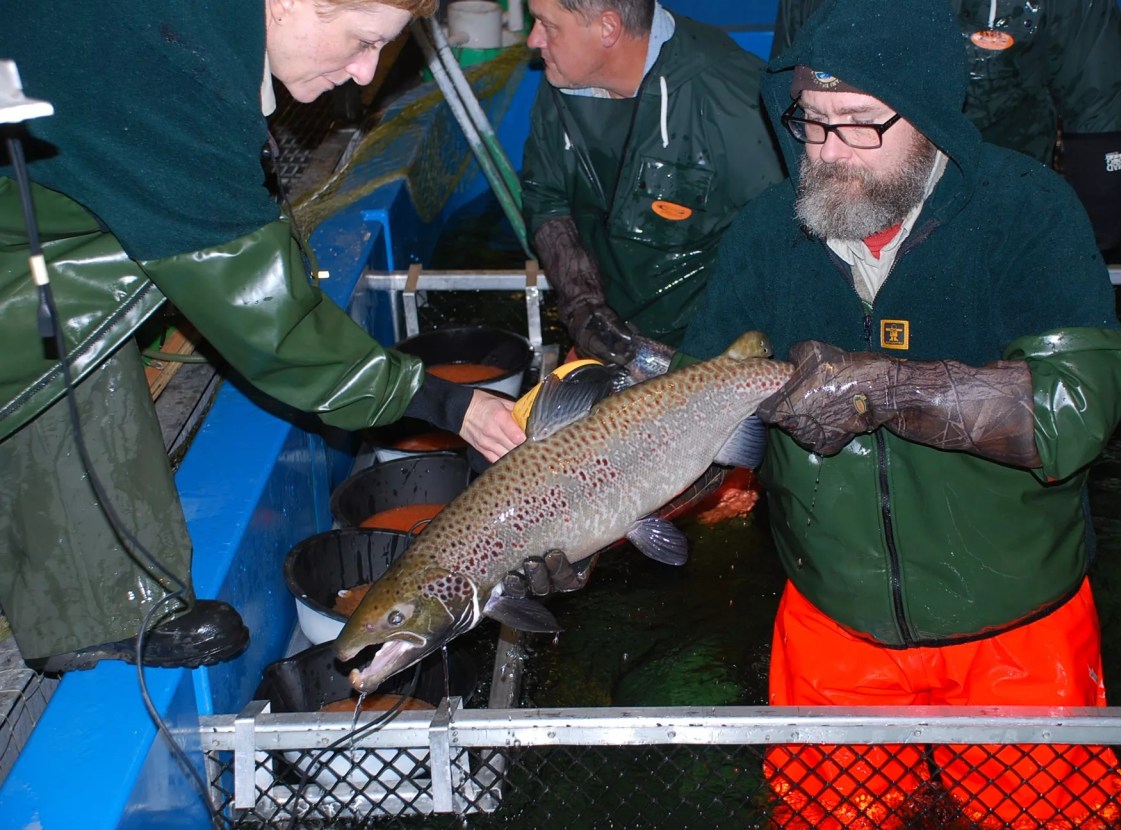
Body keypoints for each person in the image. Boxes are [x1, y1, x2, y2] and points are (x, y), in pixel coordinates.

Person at [678, 0, 1121, 826]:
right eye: (812, 123)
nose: (826, 152)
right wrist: (597, 513)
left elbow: (1075, 411)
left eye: (860, 124)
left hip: (1016, 622)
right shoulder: (763, 234)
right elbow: (693, 411)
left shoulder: (1025, 211)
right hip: (834, 620)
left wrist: (888, 388)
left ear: (928, 116)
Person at [0, 0, 526, 674]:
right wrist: (447, 403)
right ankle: (105, 603)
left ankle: (101, 606)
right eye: (364, 42)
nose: (367, 75)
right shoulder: (174, 72)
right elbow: (270, 320)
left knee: (78, 337)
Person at [520, 0, 784, 365]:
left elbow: (790, 243)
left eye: (547, 25)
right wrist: (584, 306)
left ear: (607, 29)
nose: (533, 39)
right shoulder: (566, 74)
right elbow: (546, 196)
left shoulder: (735, 103)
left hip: (712, 354)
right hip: (611, 336)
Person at [771, 0, 1121, 254]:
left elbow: (1098, 104)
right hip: (861, 192)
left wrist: (1093, 243)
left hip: (1002, 198)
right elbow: (790, 87)